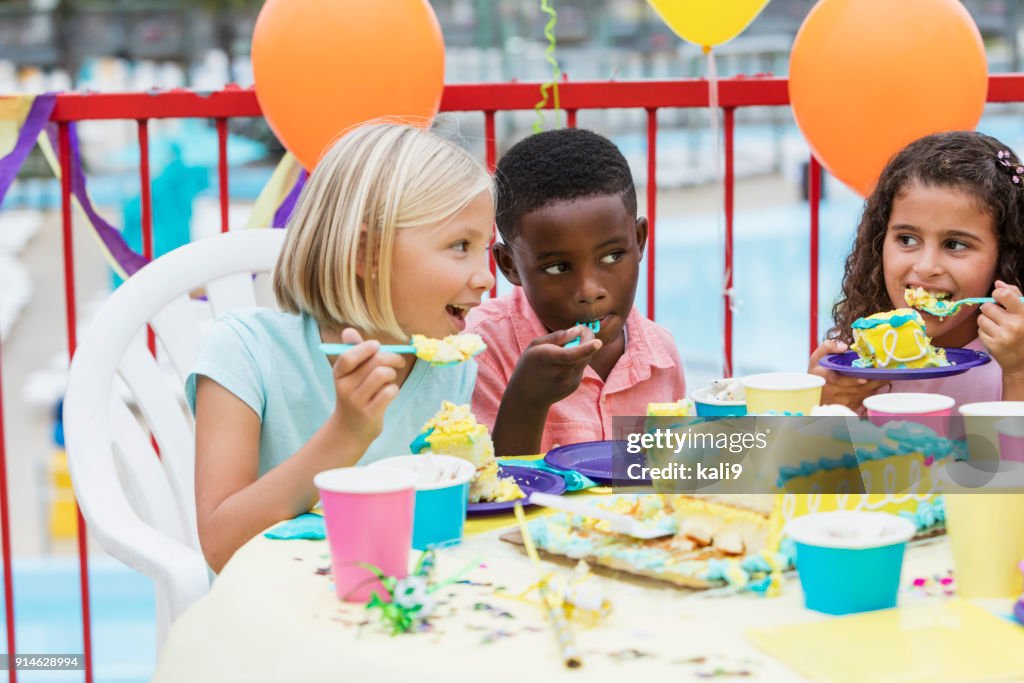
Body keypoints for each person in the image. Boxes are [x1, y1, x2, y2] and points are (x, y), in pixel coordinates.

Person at [187, 122, 495, 571]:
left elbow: (447, 528)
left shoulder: (455, 367)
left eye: (485, 248)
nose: (486, 277)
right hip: (276, 610)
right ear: (365, 253)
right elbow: (221, 546)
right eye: (460, 246)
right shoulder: (243, 351)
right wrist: (346, 434)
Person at [466, 128, 686, 455]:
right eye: (558, 267)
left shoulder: (661, 357)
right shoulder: (480, 352)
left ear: (639, 240)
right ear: (509, 265)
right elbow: (484, 493)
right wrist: (527, 400)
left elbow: (671, 481)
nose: (589, 291)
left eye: (612, 257)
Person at [810, 131, 1024, 409]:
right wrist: (825, 406)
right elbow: (821, 450)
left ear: (1006, 254)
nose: (925, 267)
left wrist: (1018, 373)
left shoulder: (1015, 356)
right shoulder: (856, 357)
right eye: (907, 240)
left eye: (955, 244)